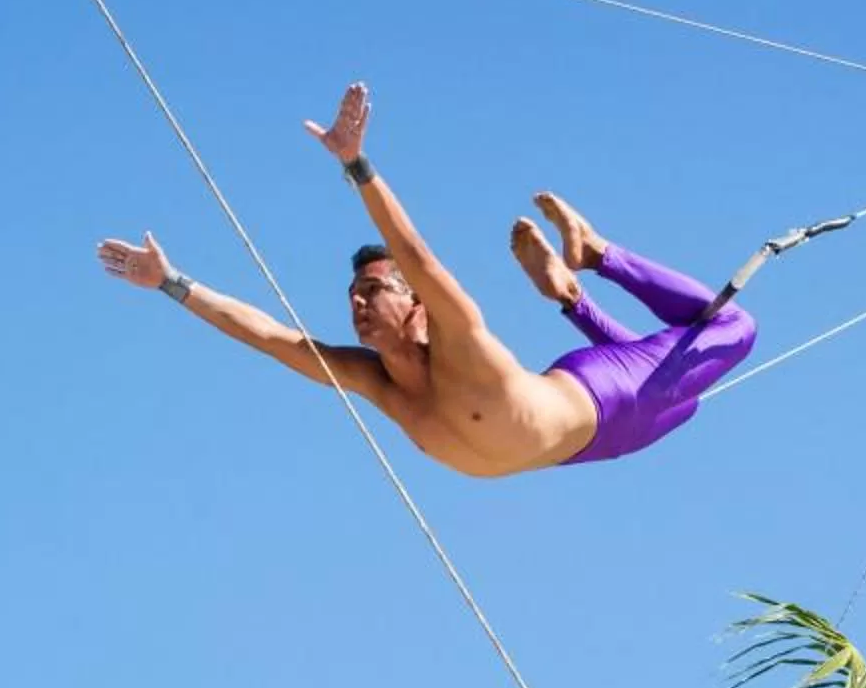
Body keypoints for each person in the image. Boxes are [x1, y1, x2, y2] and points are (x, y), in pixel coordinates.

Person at [97, 84, 756, 477]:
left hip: (607, 397)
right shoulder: (373, 380)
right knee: (688, 402)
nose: (356, 303)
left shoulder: (459, 336)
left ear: (415, 306)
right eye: (352, 296)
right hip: (601, 441)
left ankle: (595, 256)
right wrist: (171, 282)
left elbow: (418, 257)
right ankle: (571, 295)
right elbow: (269, 336)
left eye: (372, 291)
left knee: (735, 327)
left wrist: (356, 167)